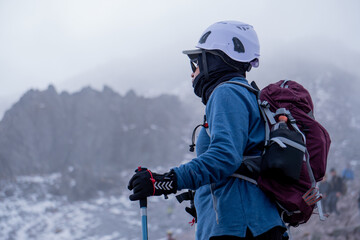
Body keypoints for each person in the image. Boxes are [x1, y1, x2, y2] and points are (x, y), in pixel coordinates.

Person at [128, 21, 286, 239]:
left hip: (239, 228)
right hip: (252, 225)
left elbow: (224, 157)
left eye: (197, 62)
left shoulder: (227, 93)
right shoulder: (245, 94)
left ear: (215, 59)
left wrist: (165, 181)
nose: (193, 72)